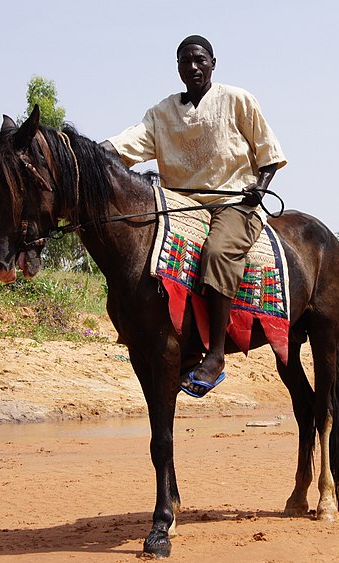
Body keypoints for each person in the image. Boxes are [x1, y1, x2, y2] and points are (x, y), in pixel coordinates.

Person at [100, 35, 287, 398]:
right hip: (178, 205)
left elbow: (269, 155)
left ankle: (215, 355)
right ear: (178, 68)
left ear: (213, 63)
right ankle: (181, 347)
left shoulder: (238, 100)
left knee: (218, 251)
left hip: (232, 202)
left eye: (200, 60)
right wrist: (84, 151)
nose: (194, 67)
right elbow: (127, 142)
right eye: (186, 61)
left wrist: (259, 188)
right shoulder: (162, 113)